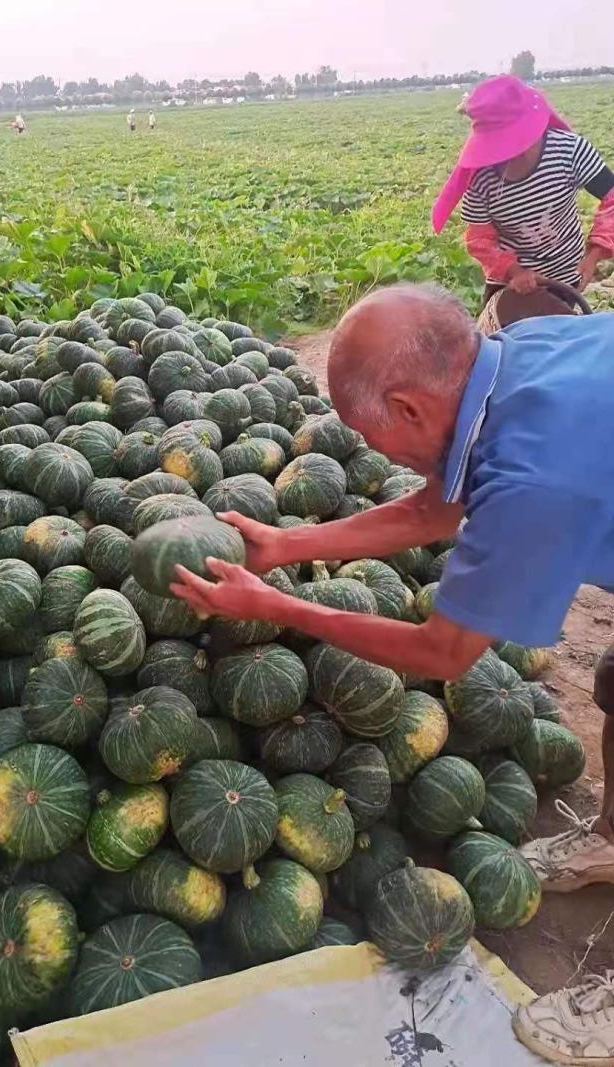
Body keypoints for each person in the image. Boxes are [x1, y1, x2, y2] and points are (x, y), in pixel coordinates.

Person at [170, 282, 614, 1065]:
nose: (378, 451)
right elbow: (435, 510)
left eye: (370, 433)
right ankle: (611, 842)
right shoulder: (521, 360)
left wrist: (281, 606)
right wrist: (284, 548)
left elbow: (443, 652)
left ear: (409, 407)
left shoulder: (534, 478)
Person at [432, 75, 614, 300]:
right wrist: (514, 272)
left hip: (566, 277)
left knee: (562, 327)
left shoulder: (569, 151)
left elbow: (611, 195)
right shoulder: (481, 177)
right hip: (509, 286)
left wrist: (593, 256)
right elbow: (479, 239)